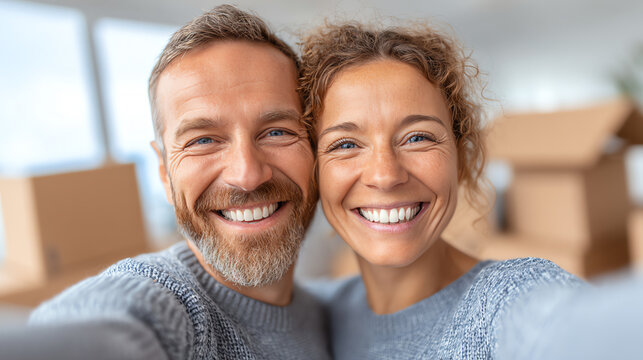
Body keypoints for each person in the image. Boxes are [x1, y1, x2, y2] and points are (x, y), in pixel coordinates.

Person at [24, 5, 330, 359]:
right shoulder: (164, 299)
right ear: (164, 173)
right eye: (203, 140)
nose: (246, 175)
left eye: (276, 132)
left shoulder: (324, 315)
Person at [300, 22, 584, 359]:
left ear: (461, 159)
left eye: (418, 137)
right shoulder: (316, 314)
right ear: (314, 172)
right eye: (346, 144)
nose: (385, 175)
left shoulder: (512, 297)